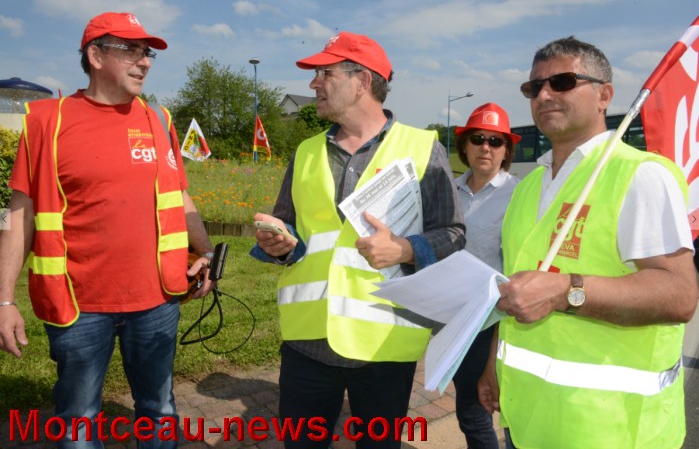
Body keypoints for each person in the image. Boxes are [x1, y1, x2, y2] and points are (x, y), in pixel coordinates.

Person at [0, 12, 215, 448]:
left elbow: (180, 197)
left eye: (147, 52)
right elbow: (19, 217)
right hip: (77, 305)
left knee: (159, 409)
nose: (145, 61)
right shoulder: (46, 122)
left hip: (157, 300)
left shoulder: (159, 120)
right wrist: (4, 301)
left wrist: (207, 253)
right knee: (77, 420)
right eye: (131, 50)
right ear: (96, 56)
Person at [477, 36, 699, 449]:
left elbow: (679, 294)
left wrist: (566, 291)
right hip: (527, 419)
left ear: (604, 96)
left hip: (611, 429)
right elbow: (517, 289)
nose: (544, 94)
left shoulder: (641, 175)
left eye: (562, 82)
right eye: (533, 87)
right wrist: (494, 363)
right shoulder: (528, 188)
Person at [250, 31, 465, 448]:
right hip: (307, 342)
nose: (314, 83)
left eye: (325, 74)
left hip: (384, 346)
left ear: (362, 81)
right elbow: (291, 227)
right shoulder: (306, 151)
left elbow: (453, 234)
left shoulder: (424, 147)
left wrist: (406, 249)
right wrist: (280, 243)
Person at [451, 102, 520, 448]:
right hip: (453, 315)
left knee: (480, 410)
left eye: (496, 141)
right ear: (464, 145)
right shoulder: (449, 190)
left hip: (492, 319)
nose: (486, 147)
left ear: (506, 150)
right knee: (470, 407)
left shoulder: (519, 195)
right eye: (477, 139)